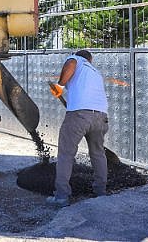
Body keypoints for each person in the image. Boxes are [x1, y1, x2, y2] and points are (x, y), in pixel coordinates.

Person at [47, 50, 109, 207]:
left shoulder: (76, 60)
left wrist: (59, 86)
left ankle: (61, 196)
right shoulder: (95, 73)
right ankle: (101, 191)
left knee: (66, 154)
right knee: (98, 154)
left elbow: (71, 64)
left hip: (79, 115)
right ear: (91, 60)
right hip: (101, 116)